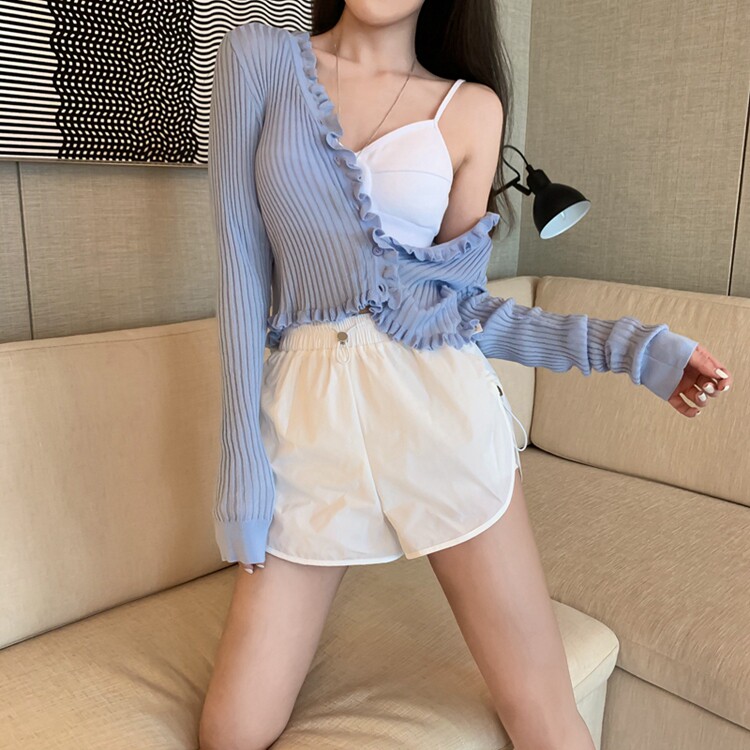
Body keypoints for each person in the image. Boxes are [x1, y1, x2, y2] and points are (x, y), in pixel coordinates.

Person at [198, 4, 732, 749]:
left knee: (543, 717)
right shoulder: (257, 59)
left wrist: (636, 349)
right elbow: (238, 270)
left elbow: (463, 311)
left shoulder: (473, 109)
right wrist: (242, 474)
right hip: (308, 423)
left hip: (440, 418)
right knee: (230, 731)